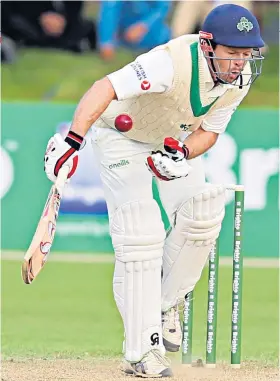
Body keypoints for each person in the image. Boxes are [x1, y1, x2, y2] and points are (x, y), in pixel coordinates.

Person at [44, 4, 264, 378]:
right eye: (232, 53)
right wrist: (73, 139)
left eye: (246, 55)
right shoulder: (171, 62)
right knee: (140, 231)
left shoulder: (238, 80)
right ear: (208, 45)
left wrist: (180, 152)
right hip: (121, 137)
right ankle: (142, 350)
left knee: (205, 212)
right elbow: (105, 87)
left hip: (170, 139)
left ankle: (164, 304)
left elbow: (209, 131)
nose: (239, 63)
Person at [1, 1, 96, 53]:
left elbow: (74, 9)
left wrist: (63, 19)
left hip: (62, 23)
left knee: (87, 26)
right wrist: (42, 17)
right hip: (29, 22)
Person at [98, 1, 172, 61]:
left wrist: (143, 26)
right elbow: (109, 9)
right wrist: (106, 41)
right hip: (123, 40)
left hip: (155, 38)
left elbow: (162, 8)